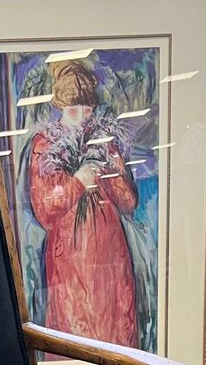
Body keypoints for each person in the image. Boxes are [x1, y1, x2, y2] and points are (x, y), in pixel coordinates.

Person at [27, 60, 139, 349]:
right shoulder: (44, 144)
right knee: (74, 321)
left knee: (113, 320)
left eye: (87, 109)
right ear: (61, 106)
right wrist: (77, 181)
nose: (81, 117)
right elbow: (44, 209)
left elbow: (128, 201)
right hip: (70, 253)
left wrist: (109, 170)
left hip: (110, 251)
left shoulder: (103, 142)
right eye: (73, 109)